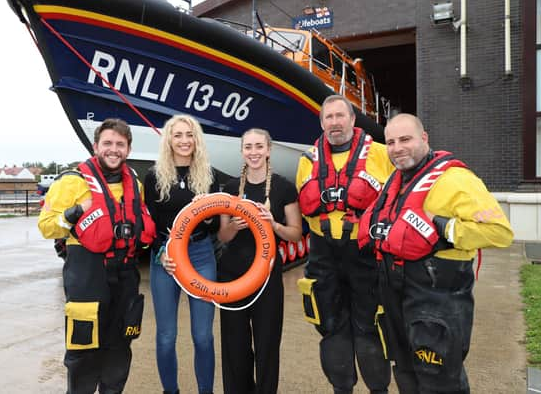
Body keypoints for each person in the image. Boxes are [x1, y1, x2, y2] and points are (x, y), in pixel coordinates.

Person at [357, 113, 514, 394]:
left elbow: (500, 233)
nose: (397, 148)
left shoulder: (456, 179)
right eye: (391, 142)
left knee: (439, 381)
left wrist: (444, 227)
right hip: (397, 296)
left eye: (405, 139)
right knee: (405, 374)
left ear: (424, 138)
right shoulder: (396, 180)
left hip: (438, 299)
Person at [38, 118, 156, 394]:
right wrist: (73, 214)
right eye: (108, 143)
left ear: (128, 149)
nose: (113, 150)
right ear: (95, 146)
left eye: (120, 144)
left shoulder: (134, 184)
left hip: (125, 275)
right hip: (87, 275)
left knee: (119, 349)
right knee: (84, 352)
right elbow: (46, 226)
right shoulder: (71, 183)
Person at [296, 94, 393, 394]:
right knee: (330, 326)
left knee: (371, 327)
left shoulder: (381, 154)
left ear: (352, 120)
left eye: (341, 116)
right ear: (322, 122)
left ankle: (378, 388)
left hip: (366, 254)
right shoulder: (307, 160)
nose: (335, 123)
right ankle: (341, 388)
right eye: (329, 117)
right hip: (324, 255)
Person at [216, 128, 303, 394]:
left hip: (267, 278)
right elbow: (223, 236)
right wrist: (235, 226)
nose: (253, 152)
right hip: (232, 276)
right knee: (235, 346)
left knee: (267, 345)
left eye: (258, 147)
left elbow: (296, 232)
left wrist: (272, 224)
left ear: (268, 149)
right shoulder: (230, 189)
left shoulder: (284, 187)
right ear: (242, 151)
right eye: (248, 147)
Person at [143, 114, 220, 394]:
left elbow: (215, 222)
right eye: (178, 135)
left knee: (202, 336)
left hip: (200, 254)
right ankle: (170, 391)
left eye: (189, 135)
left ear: (196, 139)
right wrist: (160, 252)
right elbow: (148, 224)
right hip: (166, 256)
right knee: (166, 336)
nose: (184, 141)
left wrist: (208, 210)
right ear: (169, 140)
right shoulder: (153, 177)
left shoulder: (208, 175)